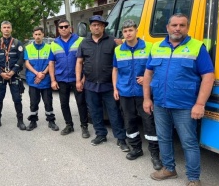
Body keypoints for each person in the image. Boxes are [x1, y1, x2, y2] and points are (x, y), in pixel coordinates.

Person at [143, 13, 215, 186]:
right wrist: (147, 98)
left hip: (185, 105)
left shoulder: (197, 47)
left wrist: (199, 104)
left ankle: (193, 178)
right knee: (164, 138)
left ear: (187, 28)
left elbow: (208, 76)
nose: (177, 28)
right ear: (167, 27)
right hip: (160, 103)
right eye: (174, 25)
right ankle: (169, 169)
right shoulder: (156, 47)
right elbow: (148, 73)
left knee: (189, 142)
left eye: (182, 25)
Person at [112, 20, 162, 170]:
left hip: (143, 93)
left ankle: (155, 154)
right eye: (125, 31)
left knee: (149, 123)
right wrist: (115, 88)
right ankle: (136, 149)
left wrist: (149, 78)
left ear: (136, 31)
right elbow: (115, 70)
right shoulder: (118, 50)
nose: (128, 33)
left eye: (130, 30)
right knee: (129, 121)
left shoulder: (149, 47)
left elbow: (156, 68)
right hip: (125, 92)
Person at [75, 15, 129, 151]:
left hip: (109, 85)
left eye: (99, 24)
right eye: (94, 25)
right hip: (90, 84)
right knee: (95, 111)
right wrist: (78, 80)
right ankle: (100, 134)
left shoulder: (112, 42)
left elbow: (121, 60)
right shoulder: (84, 43)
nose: (96, 27)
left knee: (114, 112)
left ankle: (121, 138)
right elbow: (79, 62)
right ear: (90, 27)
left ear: (104, 26)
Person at [48, 19, 90, 138]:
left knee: (81, 103)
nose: (63, 29)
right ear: (58, 29)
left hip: (77, 78)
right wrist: (53, 80)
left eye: (66, 26)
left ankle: (84, 126)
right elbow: (51, 63)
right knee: (64, 103)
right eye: (61, 27)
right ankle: (69, 125)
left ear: (70, 28)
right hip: (61, 79)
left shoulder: (81, 41)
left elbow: (87, 61)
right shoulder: (54, 44)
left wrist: (84, 78)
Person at [0, 21, 26, 130]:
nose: (6, 29)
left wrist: (13, 71)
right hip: (1, 75)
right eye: (4, 27)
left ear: (11, 29)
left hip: (14, 75)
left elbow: (21, 59)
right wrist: (1, 73)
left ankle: (20, 121)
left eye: (8, 27)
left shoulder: (18, 43)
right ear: (1, 29)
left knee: (17, 99)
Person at [24, 26, 59, 131]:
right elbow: (27, 63)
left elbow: (51, 62)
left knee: (48, 102)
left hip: (46, 79)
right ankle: (33, 121)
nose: (37, 36)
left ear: (43, 35)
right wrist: (37, 74)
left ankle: (51, 121)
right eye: (36, 34)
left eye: (39, 34)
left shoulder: (49, 47)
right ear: (33, 35)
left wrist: (43, 73)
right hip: (33, 80)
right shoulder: (28, 48)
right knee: (33, 102)